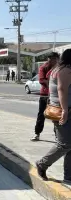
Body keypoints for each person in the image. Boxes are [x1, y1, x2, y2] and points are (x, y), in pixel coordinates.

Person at [36, 49, 71, 184]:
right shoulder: (65, 71)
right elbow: (62, 89)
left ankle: (69, 177)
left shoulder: (59, 69)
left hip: (61, 109)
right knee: (64, 144)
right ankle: (42, 164)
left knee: (69, 144)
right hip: (63, 111)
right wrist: (65, 110)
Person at [31, 52, 60, 141]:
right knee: (41, 115)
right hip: (45, 95)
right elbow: (41, 80)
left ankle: (58, 136)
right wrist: (52, 85)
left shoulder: (60, 68)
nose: (52, 60)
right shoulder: (43, 67)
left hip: (56, 96)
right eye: (50, 58)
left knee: (56, 116)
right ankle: (37, 133)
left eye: (54, 59)